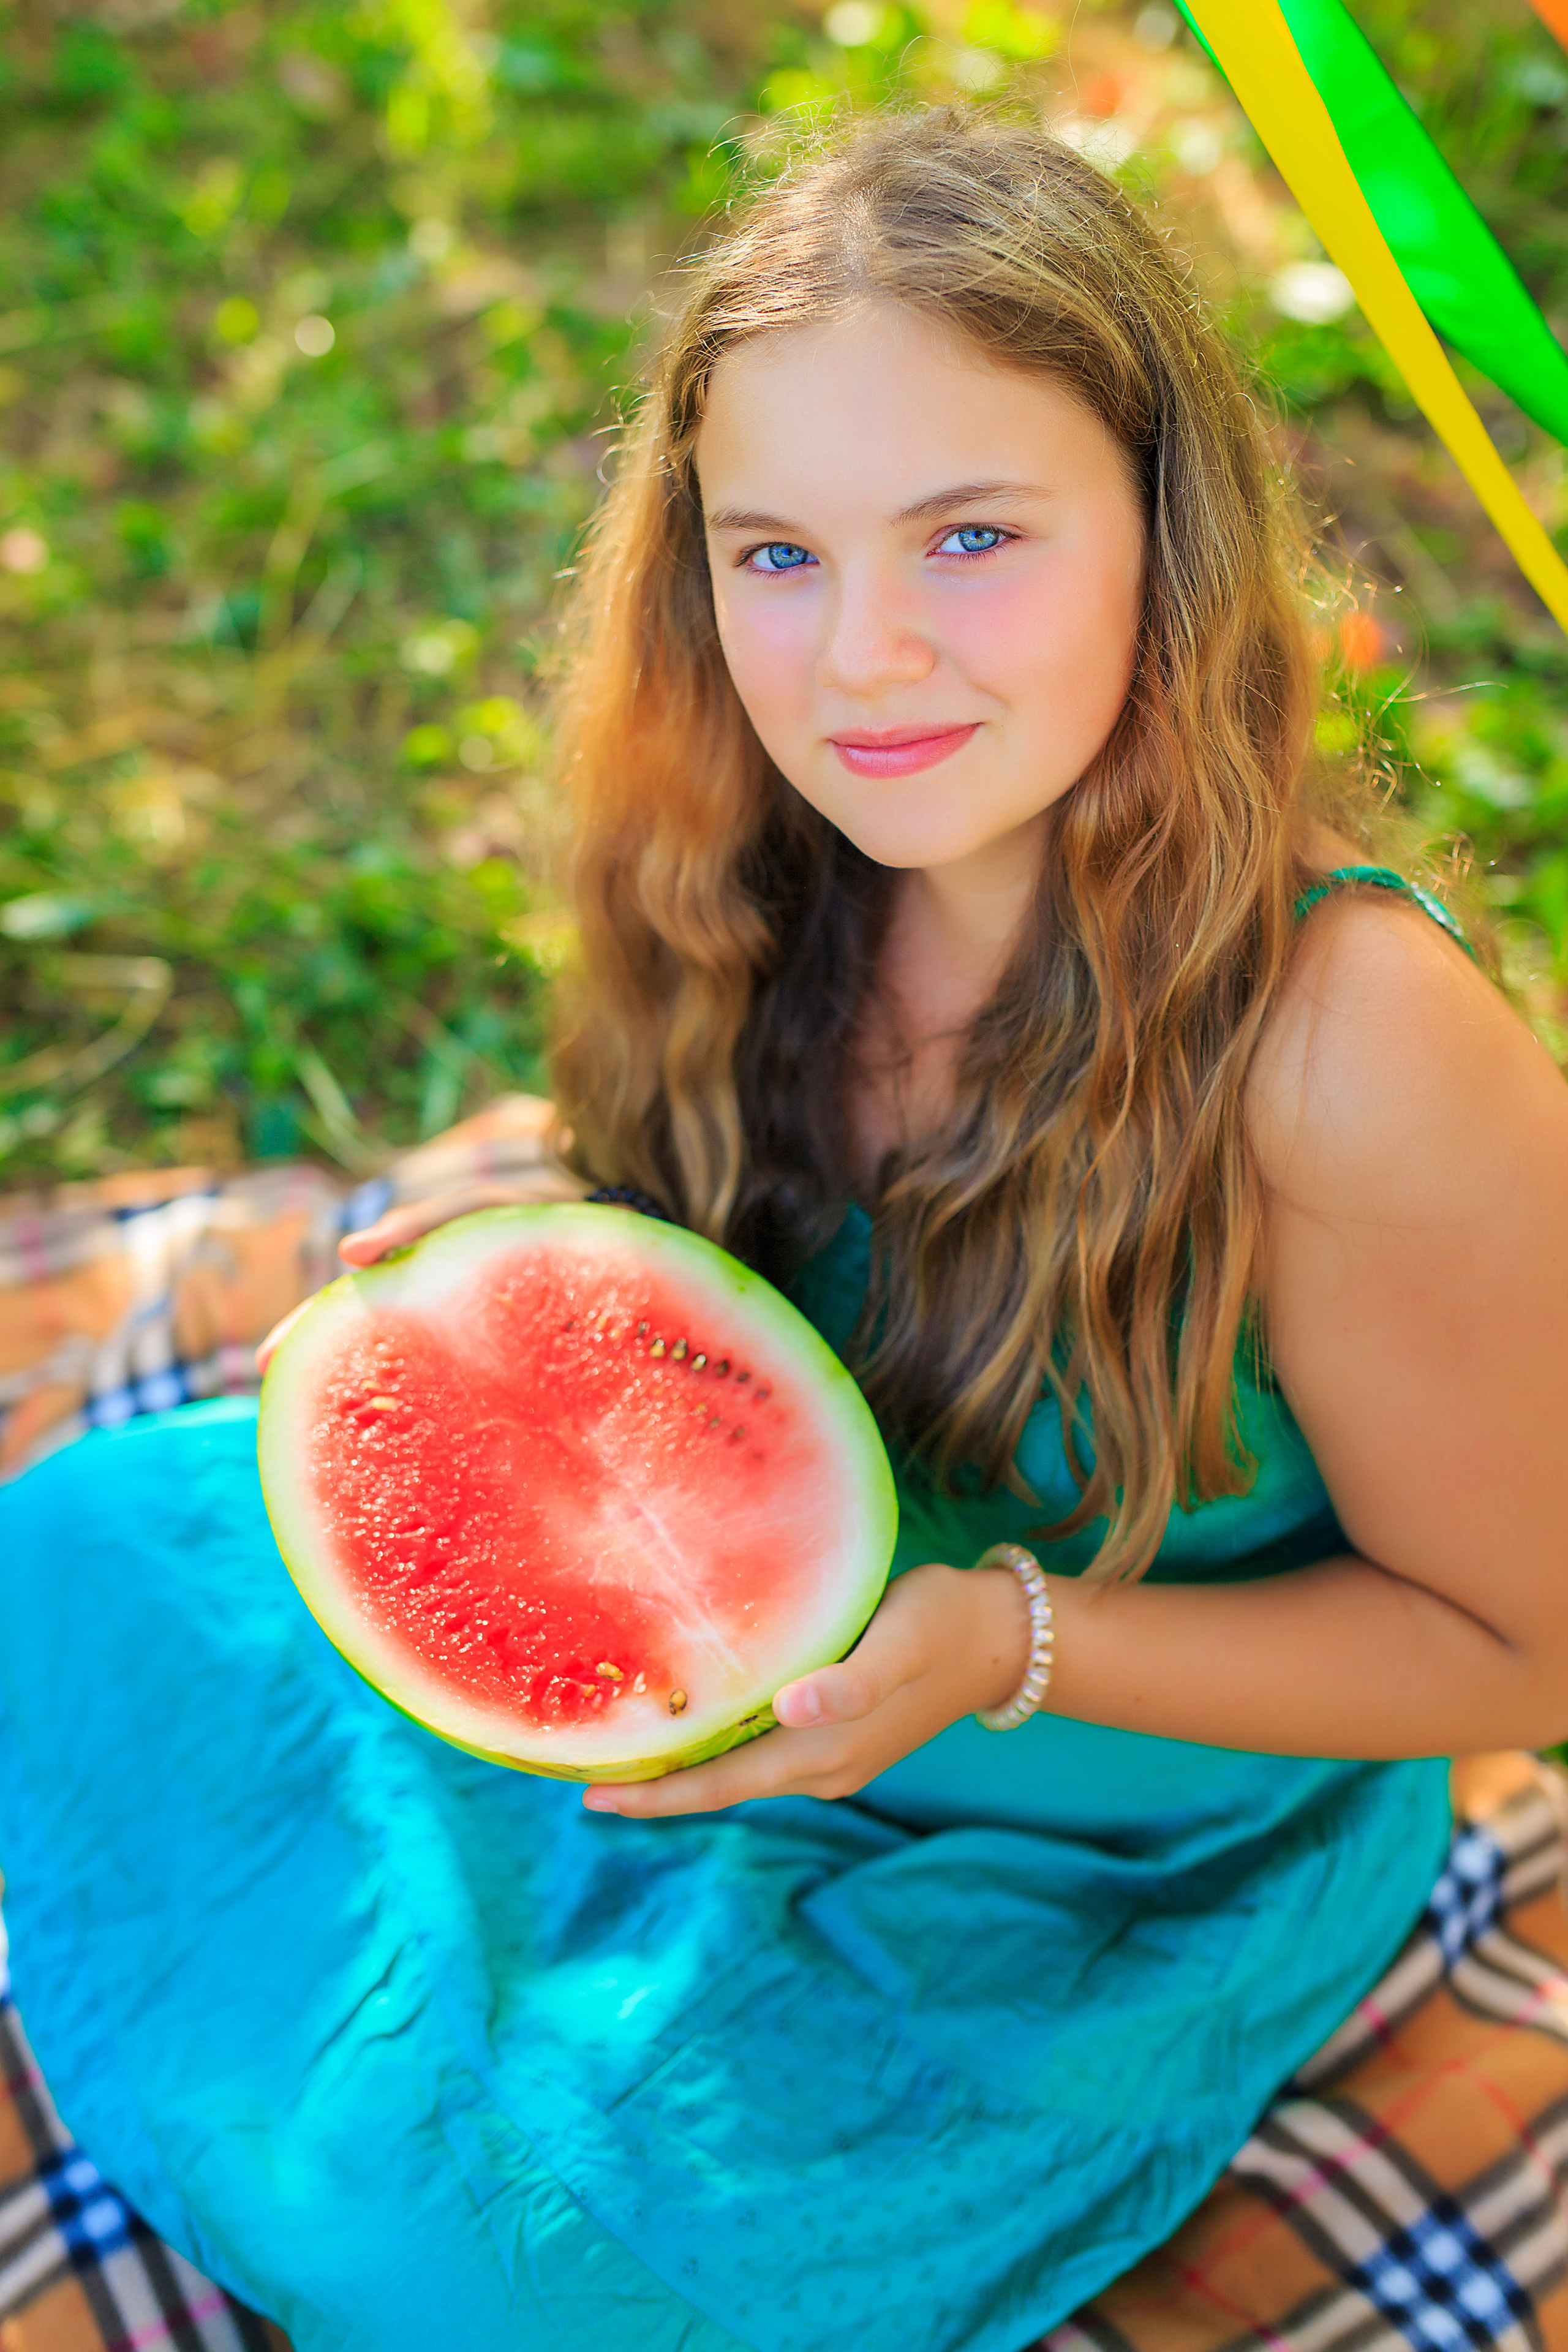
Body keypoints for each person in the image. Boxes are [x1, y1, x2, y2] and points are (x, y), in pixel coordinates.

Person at [4, 108, 1568, 2352]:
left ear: (1166, 533)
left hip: (1118, 1817)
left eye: (971, 537)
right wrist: (510, 1339)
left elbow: (1525, 1649)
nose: (864, 662)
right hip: (744, 1667)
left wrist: (1000, 1645)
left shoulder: (1351, 1048)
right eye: (778, 557)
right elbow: (722, 1276)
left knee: (497, 2266)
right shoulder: (760, 849)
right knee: (59, 1559)